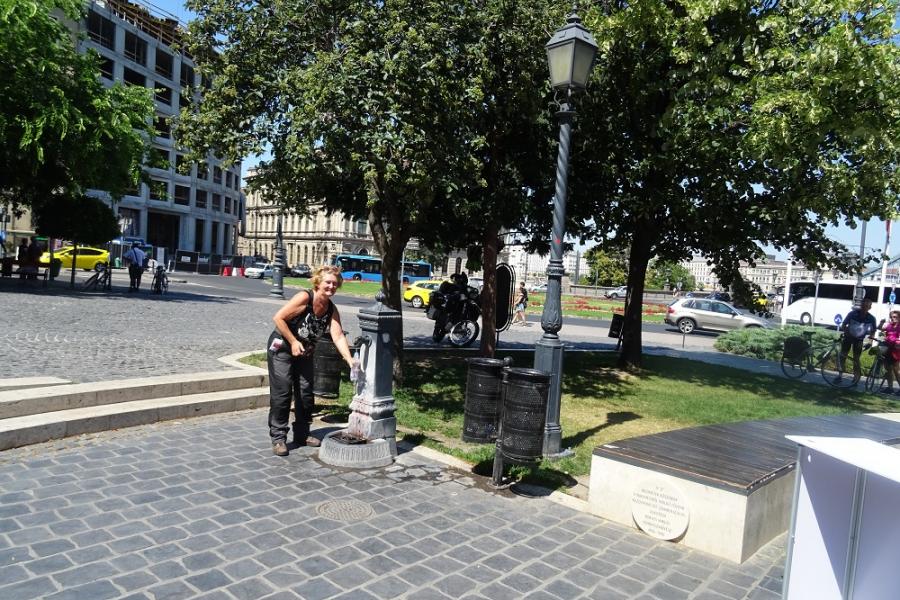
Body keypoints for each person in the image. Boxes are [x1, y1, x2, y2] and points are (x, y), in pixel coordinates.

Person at [267, 265, 358, 456]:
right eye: (328, 282)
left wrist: (349, 360)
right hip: (282, 347)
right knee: (283, 392)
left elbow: (338, 335)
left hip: (305, 353)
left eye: (335, 283)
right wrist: (292, 341)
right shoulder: (305, 297)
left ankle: (302, 434)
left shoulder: (330, 309)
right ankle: (278, 438)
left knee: (306, 394)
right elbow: (279, 318)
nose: (331, 286)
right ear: (318, 282)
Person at [836, 297, 877, 383]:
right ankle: (839, 376)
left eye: (867, 306)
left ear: (869, 308)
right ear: (861, 305)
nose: (864, 307)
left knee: (856, 359)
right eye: (863, 305)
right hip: (848, 338)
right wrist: (847, 333)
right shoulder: (852, 314)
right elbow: (844, 324)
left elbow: (873, 331)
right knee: (842, 356)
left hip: (859, 340)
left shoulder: (871, 318)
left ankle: (856, 378)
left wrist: (870, 342)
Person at [880, 310, 900, 394]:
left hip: (896, 350)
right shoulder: (889, 325)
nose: (893, 318)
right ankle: (890, 388)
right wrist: (881, 323)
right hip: (888, 349)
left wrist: (897, 340)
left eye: (895, 317)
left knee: (896, 370)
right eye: (891, 317)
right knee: (888, 369)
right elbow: (880, 328)